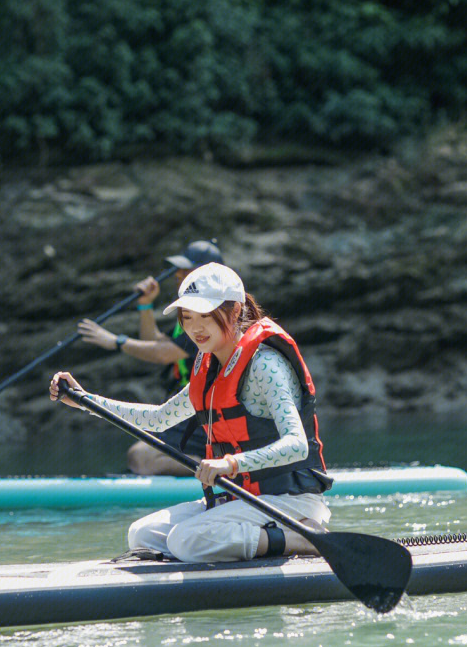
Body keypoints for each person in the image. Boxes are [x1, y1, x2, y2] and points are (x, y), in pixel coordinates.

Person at [49, 263, 332, 563]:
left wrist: (231, 464)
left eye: (206, 317)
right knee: (141, 534)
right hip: (241, 499)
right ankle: (235, 542)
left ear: (235, 311)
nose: (195, 328)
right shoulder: (209, 365)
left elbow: (297, 445)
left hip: (288, 502)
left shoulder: (265, 365)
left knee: (185, 541)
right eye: (187, 317)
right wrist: (85, 401)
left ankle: (299, 538)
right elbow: (159, 418)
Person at [76, 240, 223, 475]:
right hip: (187, 405)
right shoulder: (189, 317)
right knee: (138, 454)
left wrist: (116, 341)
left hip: (205, 413)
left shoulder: (210, 317)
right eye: (180, 270)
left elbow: (164, 354)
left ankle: (215, 468)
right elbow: (154, 341)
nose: (179, 275)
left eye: (187, 270)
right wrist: (145, 306)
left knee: (140, 457)